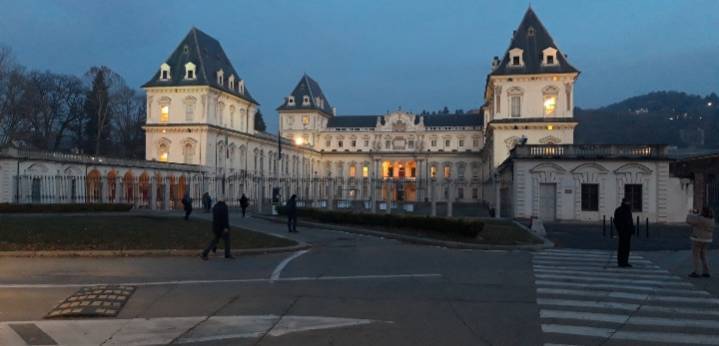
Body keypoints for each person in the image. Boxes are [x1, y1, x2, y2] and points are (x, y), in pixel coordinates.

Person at [686, 208, 714, 278]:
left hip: (698, 238)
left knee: (696, 256)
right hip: (707, 239)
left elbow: (688, 220)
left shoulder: (700, 219)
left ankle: (696, 271)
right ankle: (706, 271)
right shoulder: (712, 219)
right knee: (703, 255)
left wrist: (691, 213)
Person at [613, 198, 635, 267]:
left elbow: (630, 221)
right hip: (623, 231)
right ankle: (621, 262)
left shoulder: (627, 210)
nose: (629, 203)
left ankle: (625, 261)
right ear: (624, 202)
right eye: (628, 202)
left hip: (627, 232)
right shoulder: (620, 210)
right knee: (622, 247)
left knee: (626, 248)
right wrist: (620, 229)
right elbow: (616, 221)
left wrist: (632, 229)